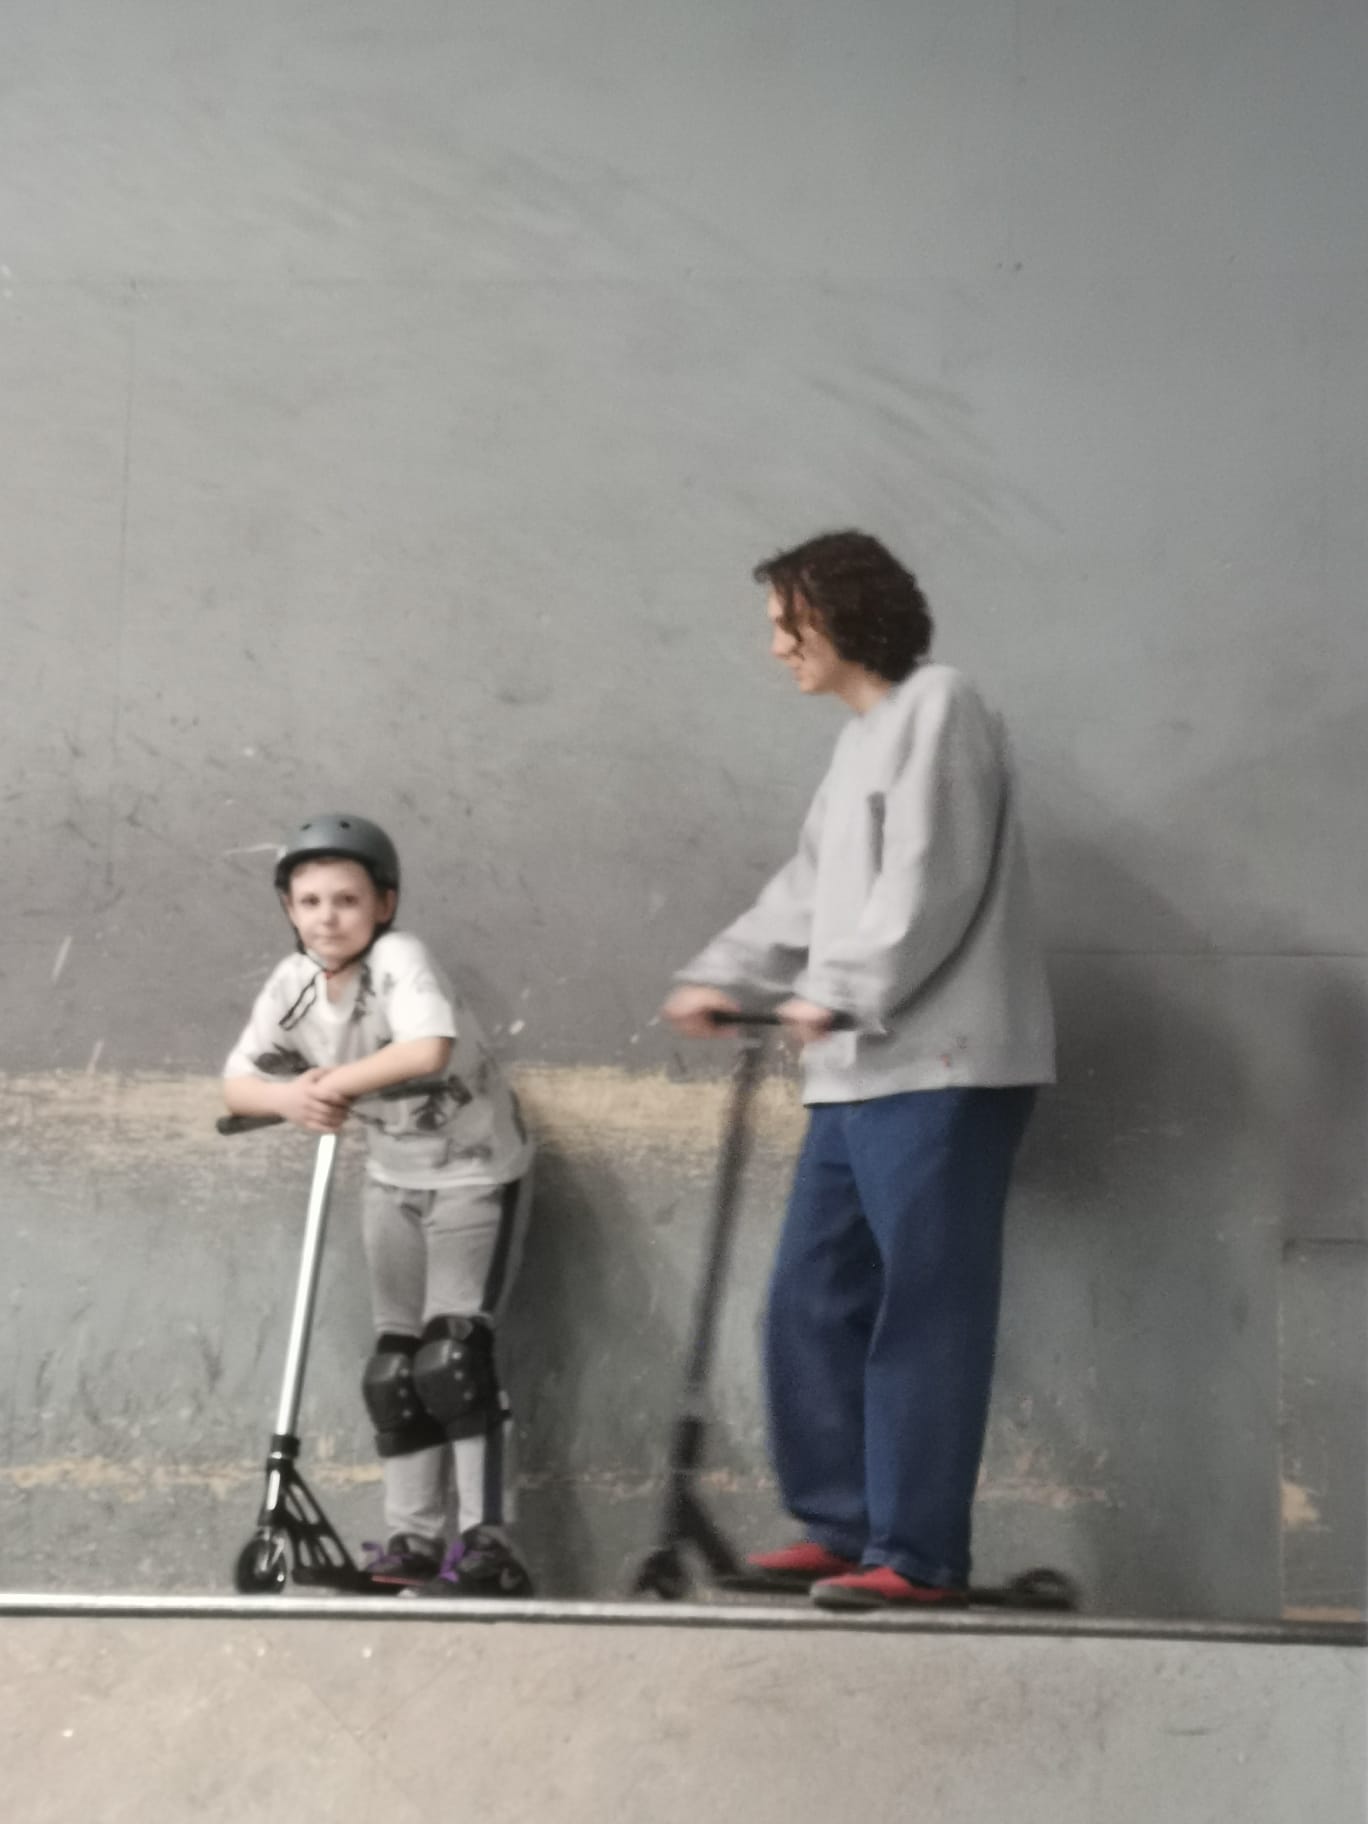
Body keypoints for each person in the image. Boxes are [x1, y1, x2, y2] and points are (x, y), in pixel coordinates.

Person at [662, 531, 1055, 1609]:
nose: (777, 646)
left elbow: (933, 881)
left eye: (787, 623)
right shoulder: (858, 744)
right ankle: (842, 1527)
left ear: (841, 613)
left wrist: (838, 988)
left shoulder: (942, 706)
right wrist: (720, 974)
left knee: (923, 1308)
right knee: (811, 1300)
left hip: (946, 1069)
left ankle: (917, 1555)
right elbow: (805, 892)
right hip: (857, 1072)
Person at [223, 813, 534, 1597]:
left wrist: (326, 1085)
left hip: (474, 1171)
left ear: (384, 905)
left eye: (347, 900)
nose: (327, 918)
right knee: (395, 1370)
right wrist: (287, 1098)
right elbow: (237, 1083)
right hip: (392, 1178)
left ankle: (488, 1545)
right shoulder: (294, 984)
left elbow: (427, 1049)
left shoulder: (400, 960)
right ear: (289, 909)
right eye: (310, 902)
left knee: (453, 1358)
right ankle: (412, 1541)